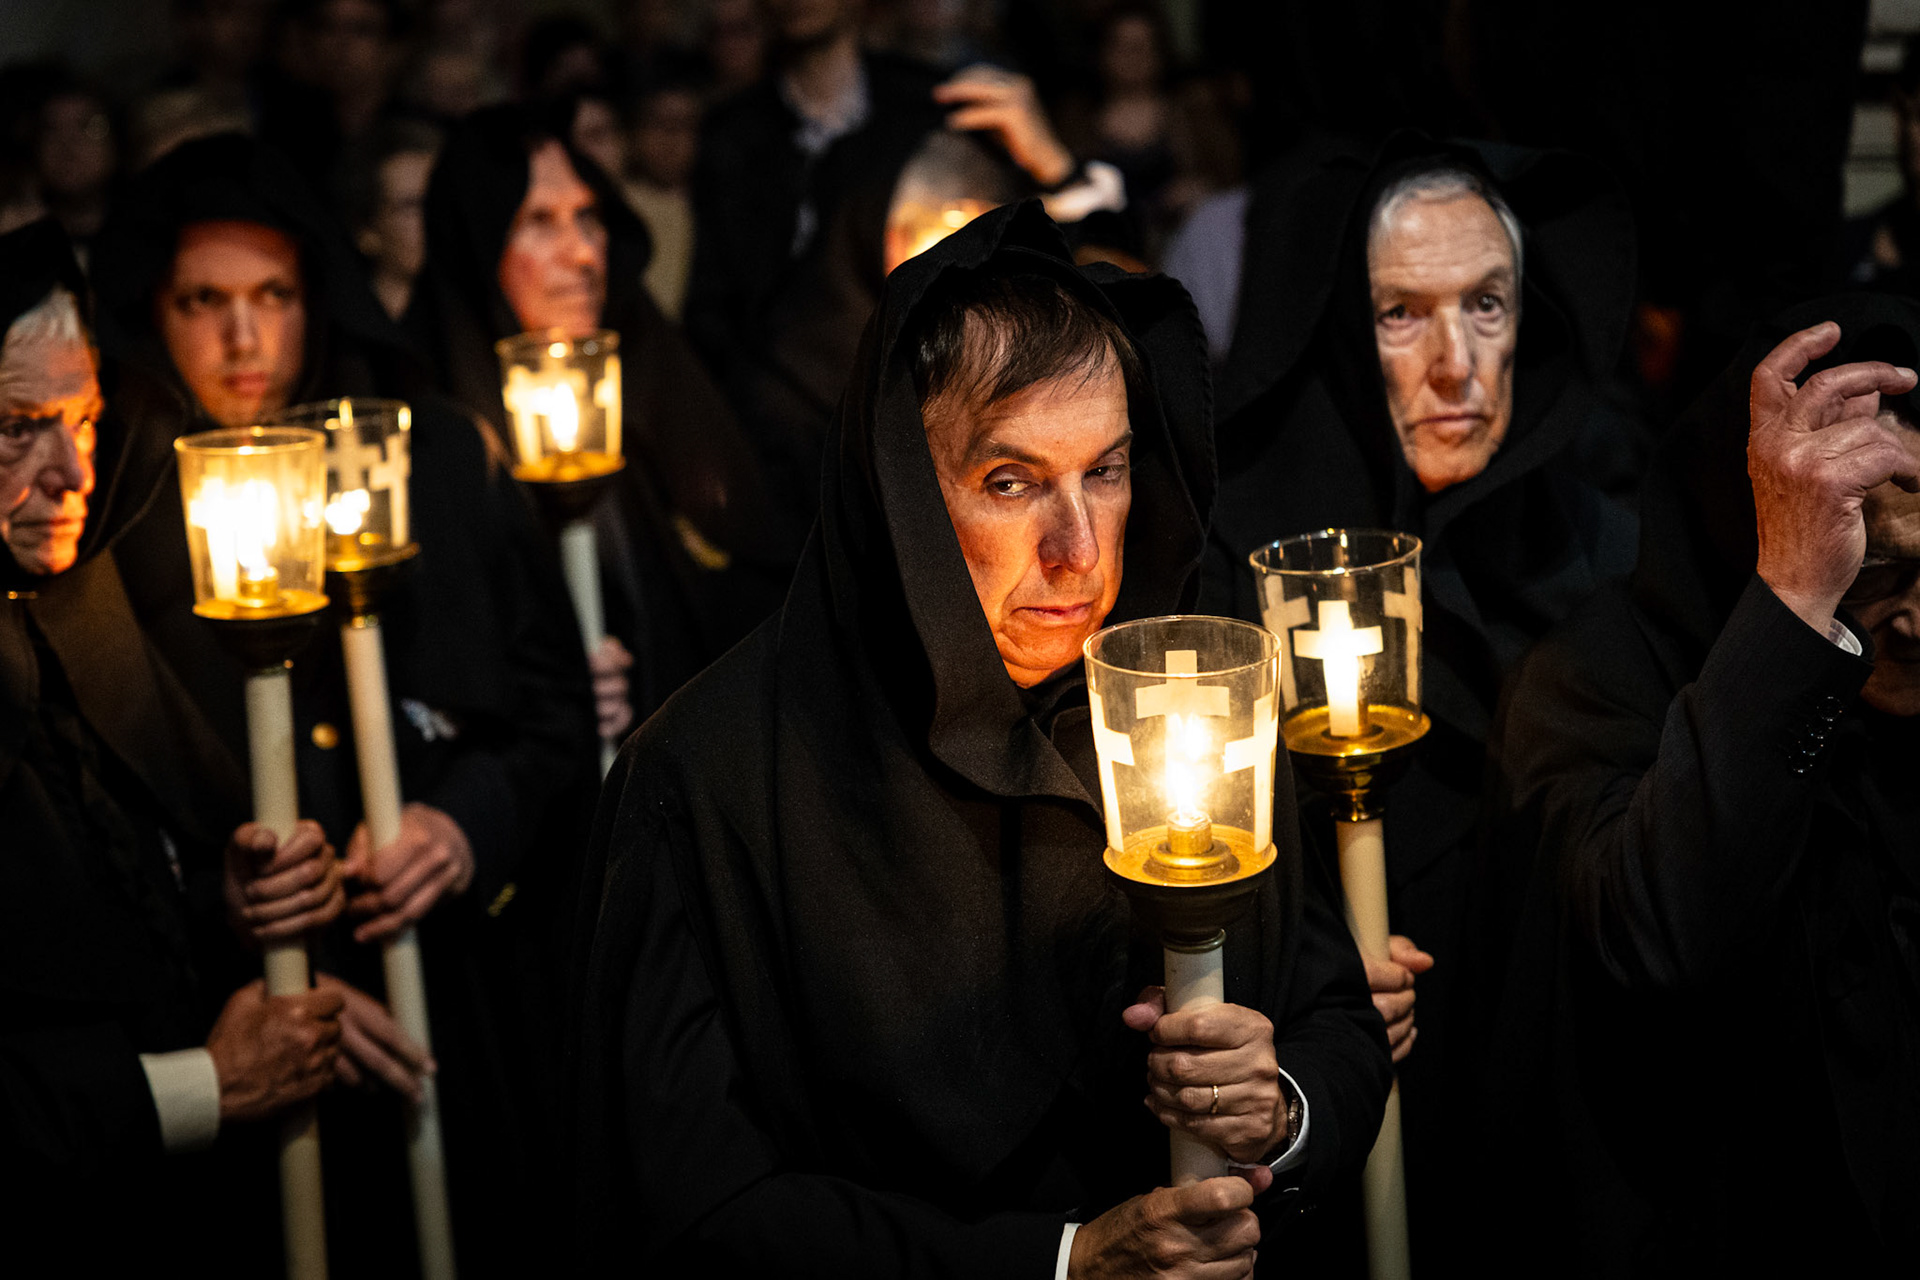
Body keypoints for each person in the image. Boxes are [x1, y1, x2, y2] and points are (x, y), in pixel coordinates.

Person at [571, 202, 1391, 1275]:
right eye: (1012, 483)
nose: (1080, 549)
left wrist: (1275, 1108)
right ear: (903, 494)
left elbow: (1335, 1012)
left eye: (1107, 468)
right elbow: (693, 1205)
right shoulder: (708, 777)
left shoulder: (1185, 701)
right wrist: (1061, 1262)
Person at [88, 134, 599, 1273]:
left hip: (462, 1002)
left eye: (272, 295)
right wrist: (254, 964)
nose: (243, 338)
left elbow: (556, 711)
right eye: (202, 300)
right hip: (248, 1045)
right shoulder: (109, 529)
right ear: (151, 312)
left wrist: (464, 824)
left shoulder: (431, 462)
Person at [1200, 132, 1643, 1265]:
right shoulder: (1239, 562)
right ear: (1345, 329)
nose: (1457, 364)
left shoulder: (1604, 544)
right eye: (1402, 314)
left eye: (1485, 305)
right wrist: (1313, 979)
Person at [1479, 296, 1920, 1273]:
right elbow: (1663, 929)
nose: (1917, 621)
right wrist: (1799, 599)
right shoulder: (1592, 677)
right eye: (1878, 569)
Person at [0, 218, 348, 1268]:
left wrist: (221, 901)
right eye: (19, 425)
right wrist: (201, 1083)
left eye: (87, 419)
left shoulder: (66, 591)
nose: (72, 472)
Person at [405, 100, 800, 730]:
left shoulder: (647, 365)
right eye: (538, 221)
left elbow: (755, 566)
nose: (583, 254)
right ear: (479, 241)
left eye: (587, 216)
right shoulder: (438, 434)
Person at [684, 0, 1124, 519]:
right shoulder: (732, 133)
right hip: (785, 448)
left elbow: (1054, 263)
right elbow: (713, 306)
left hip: (927, 422)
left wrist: (1055, 171)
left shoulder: (935, 103)